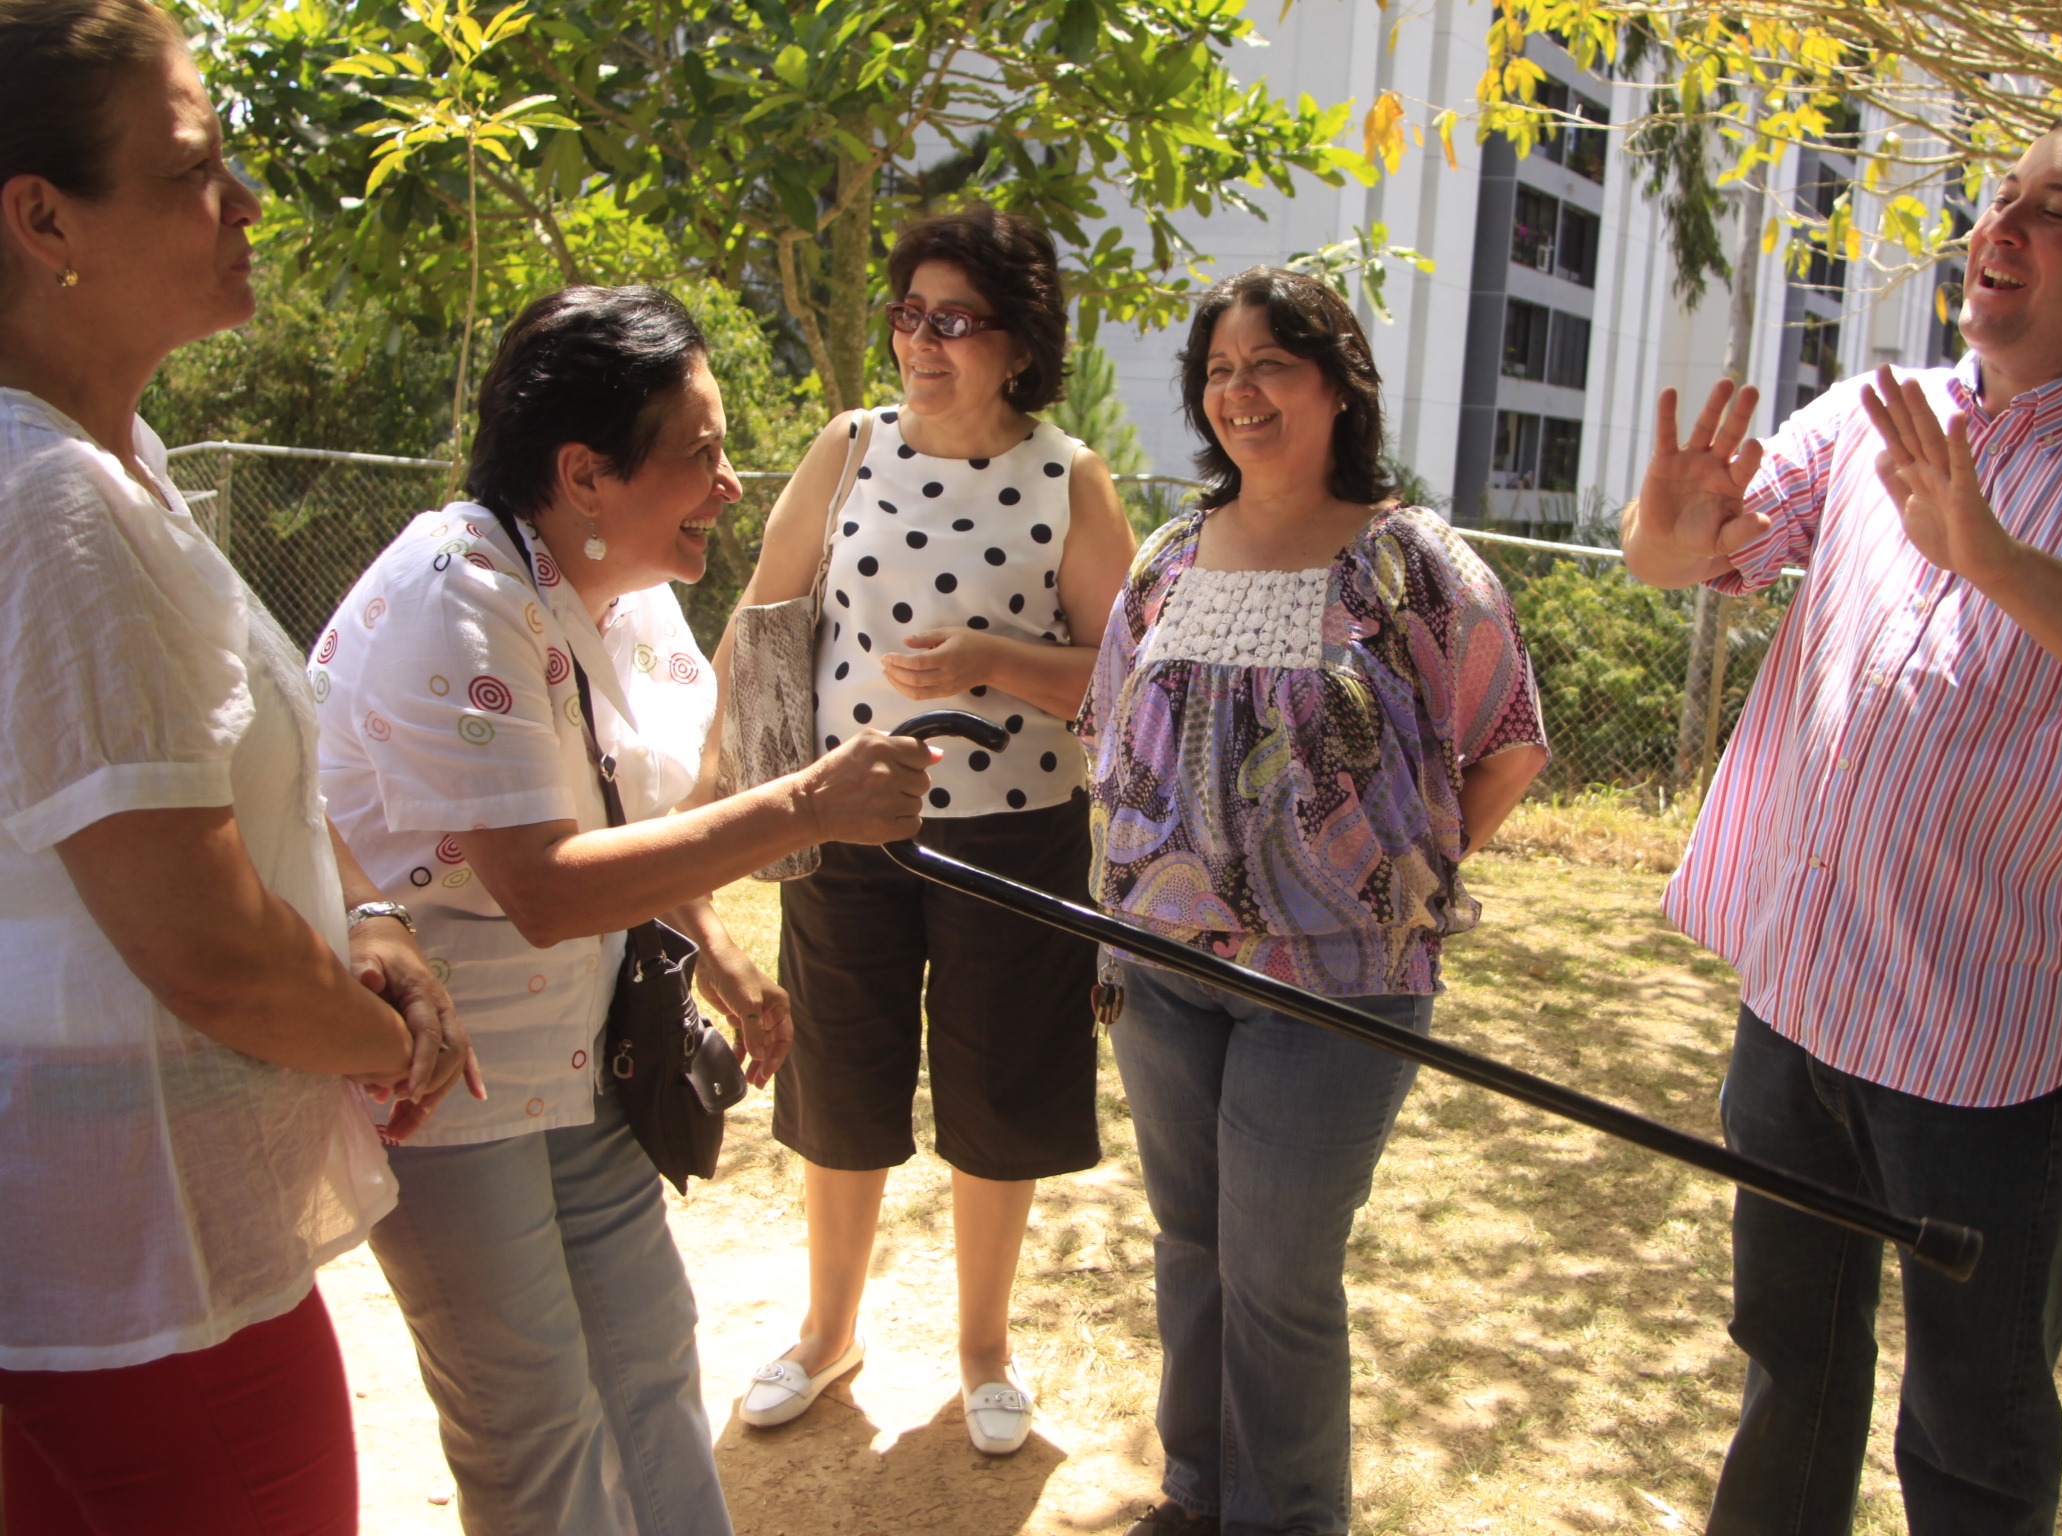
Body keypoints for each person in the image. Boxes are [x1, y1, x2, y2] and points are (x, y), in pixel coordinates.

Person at [1620, 112, 2062, 1536]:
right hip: (1794, 1013)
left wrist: (1988, 553)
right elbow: (1696, 554)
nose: (1999, 230)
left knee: (1976, 1441)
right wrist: (1667, 536)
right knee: (1786, 1375)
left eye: (2053, 212)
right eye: (1999, 201)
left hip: (1988, 1055)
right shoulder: (1877, 411)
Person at [314, 284, 936, 1534]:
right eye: (697, 454)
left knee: (652, 1368)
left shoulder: (632, 592)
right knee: (534, 1423)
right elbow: (543, 886)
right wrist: (809, 804)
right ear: (584, 474)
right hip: (452, 1081)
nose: (728, 483)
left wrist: (708, 945)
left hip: (590, 1056)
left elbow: (638, 811)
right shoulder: (460, 596)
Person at [0, 3, 479, 1531]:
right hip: (136, 1283)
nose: (247, 202)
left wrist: (375, 929)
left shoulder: (112, 464)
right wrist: (382, 1040)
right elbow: (204, 948)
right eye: (197, 168)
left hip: (148, 1249)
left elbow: (229, 771)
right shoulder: (53, 510)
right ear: (41, 219)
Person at [1080, 267, 1548, 1536]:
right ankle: (1196, 1493)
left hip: (1335, 990)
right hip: (1160, 969)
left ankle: (1284, 1521)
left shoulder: (1411, 562)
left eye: (1270, 365)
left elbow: (1506, 739)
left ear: (1340, 386)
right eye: (1219, 371)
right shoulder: (1171, 555)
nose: (1239, 393)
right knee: (1192, 1247)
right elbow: (1112, 730)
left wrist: (1393, 880)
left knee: (1278, 1274)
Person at [714, 208, 1134, 1455]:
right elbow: (763, 618)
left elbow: (1121, 676)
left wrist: (998, 660)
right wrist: (741, 801)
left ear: (1018, 342)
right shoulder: (847, 447)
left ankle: (983, 1353)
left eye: (953, 320)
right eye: (908, 314)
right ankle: (826, 1331)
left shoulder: (1070, 476)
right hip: (849, 824)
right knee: (840, 1076)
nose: (921, 342)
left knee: (999, 1086)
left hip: (1017, 832)